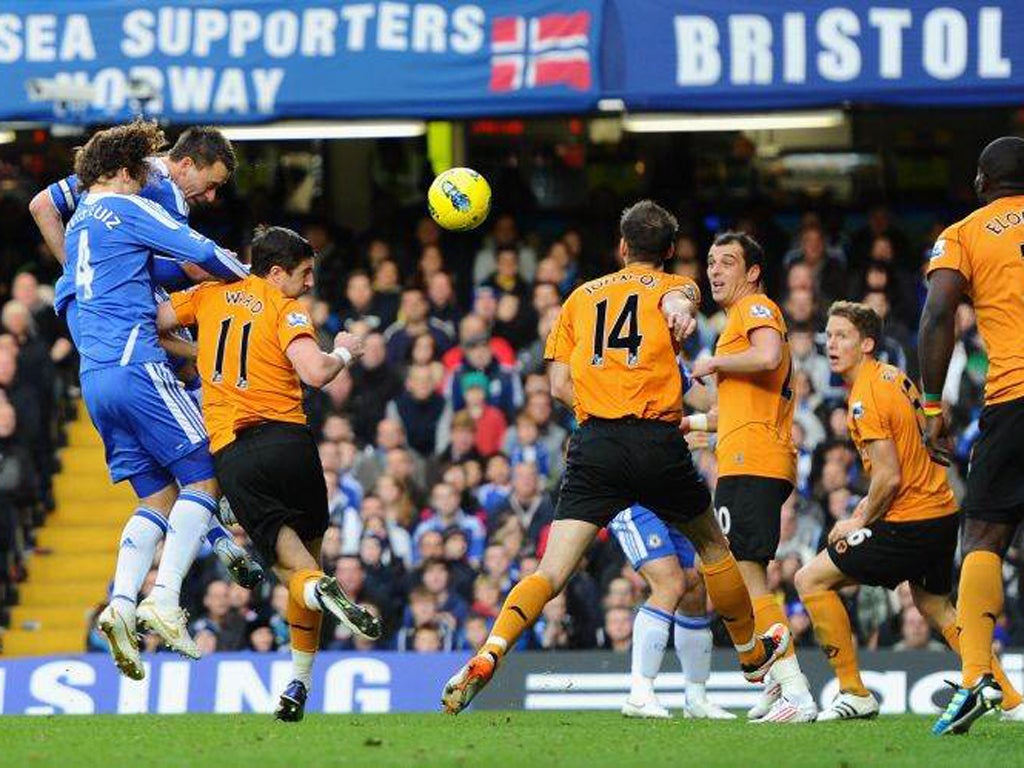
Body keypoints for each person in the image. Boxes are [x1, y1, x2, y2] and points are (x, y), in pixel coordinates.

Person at [441, 200, 789, 715]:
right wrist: (683, 305)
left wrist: (604, 406)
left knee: (551, 571)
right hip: (655, 440)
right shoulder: (676, 288)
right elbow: (687, 297)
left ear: (622, 247)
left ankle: (491, 650)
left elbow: (558, 385)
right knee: (714, 551)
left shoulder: (580, 298)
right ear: (670, 252)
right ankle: (749, 655)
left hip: (595, 444)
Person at [160, 225, 381, 721]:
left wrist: (198, 352)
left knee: (295, 572)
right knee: (309, 559)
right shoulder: (286, 309)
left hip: (238, 452)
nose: (308, 284)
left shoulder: (210, 294)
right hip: (293, 447)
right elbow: (317, 372)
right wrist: (346, 348)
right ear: (276, 272)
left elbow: (153, 322)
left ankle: (316, 590)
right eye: (303, 275)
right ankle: (299, 682)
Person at [30, 123, 263, 592]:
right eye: (212, 183)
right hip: (125, 319)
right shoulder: (149, 193)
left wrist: (78, 268)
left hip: (86, 313)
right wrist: (254, 283)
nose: (212, 196)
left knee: (160, 467)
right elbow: (193, 261)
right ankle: (212, 515)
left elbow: (41, 206)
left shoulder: (99, 182)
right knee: (199, 375)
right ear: (186, 164)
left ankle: (212, 534)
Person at [795, 302, 1023, 723]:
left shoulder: (864, 395)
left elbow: (889, 477)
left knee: (810, 579)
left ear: (867, 343)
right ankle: (1011, 700)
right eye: (829, 335)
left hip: (910, 522)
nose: (832, 344)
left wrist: (857, 519)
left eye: (842, 335)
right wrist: (868, 503)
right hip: (939, 512)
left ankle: (853, 692)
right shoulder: (892, 378)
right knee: (935, 605)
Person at [690, 232, 817, 722]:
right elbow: (733, 411)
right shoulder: (734, 324)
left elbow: (767, 356)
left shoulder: (755, 309)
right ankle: (776, 680)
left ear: (753, 272)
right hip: (745, 454)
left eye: (727, 262)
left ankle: (794, 689)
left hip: (754, 458)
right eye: (710, 262)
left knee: (745, 575)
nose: (715, 271)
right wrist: (692, 422)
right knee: (746, 577)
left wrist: (716, 360)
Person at [920, 136, 1024, 735]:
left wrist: (934, 405)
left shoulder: (965, 232)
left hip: (1014, 399)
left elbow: (938, 314)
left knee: (984, 531)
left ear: (983, 181)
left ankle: (975, 677)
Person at [610, 370, 732, 720]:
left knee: (694, 584)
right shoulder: (624, 365)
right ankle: (640, 691)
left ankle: (696, 698)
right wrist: (684, 427)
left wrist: (693, 424)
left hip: (673, 488)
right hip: (628, 490)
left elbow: (714, 406)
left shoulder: (673, 365)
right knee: (670, 581)